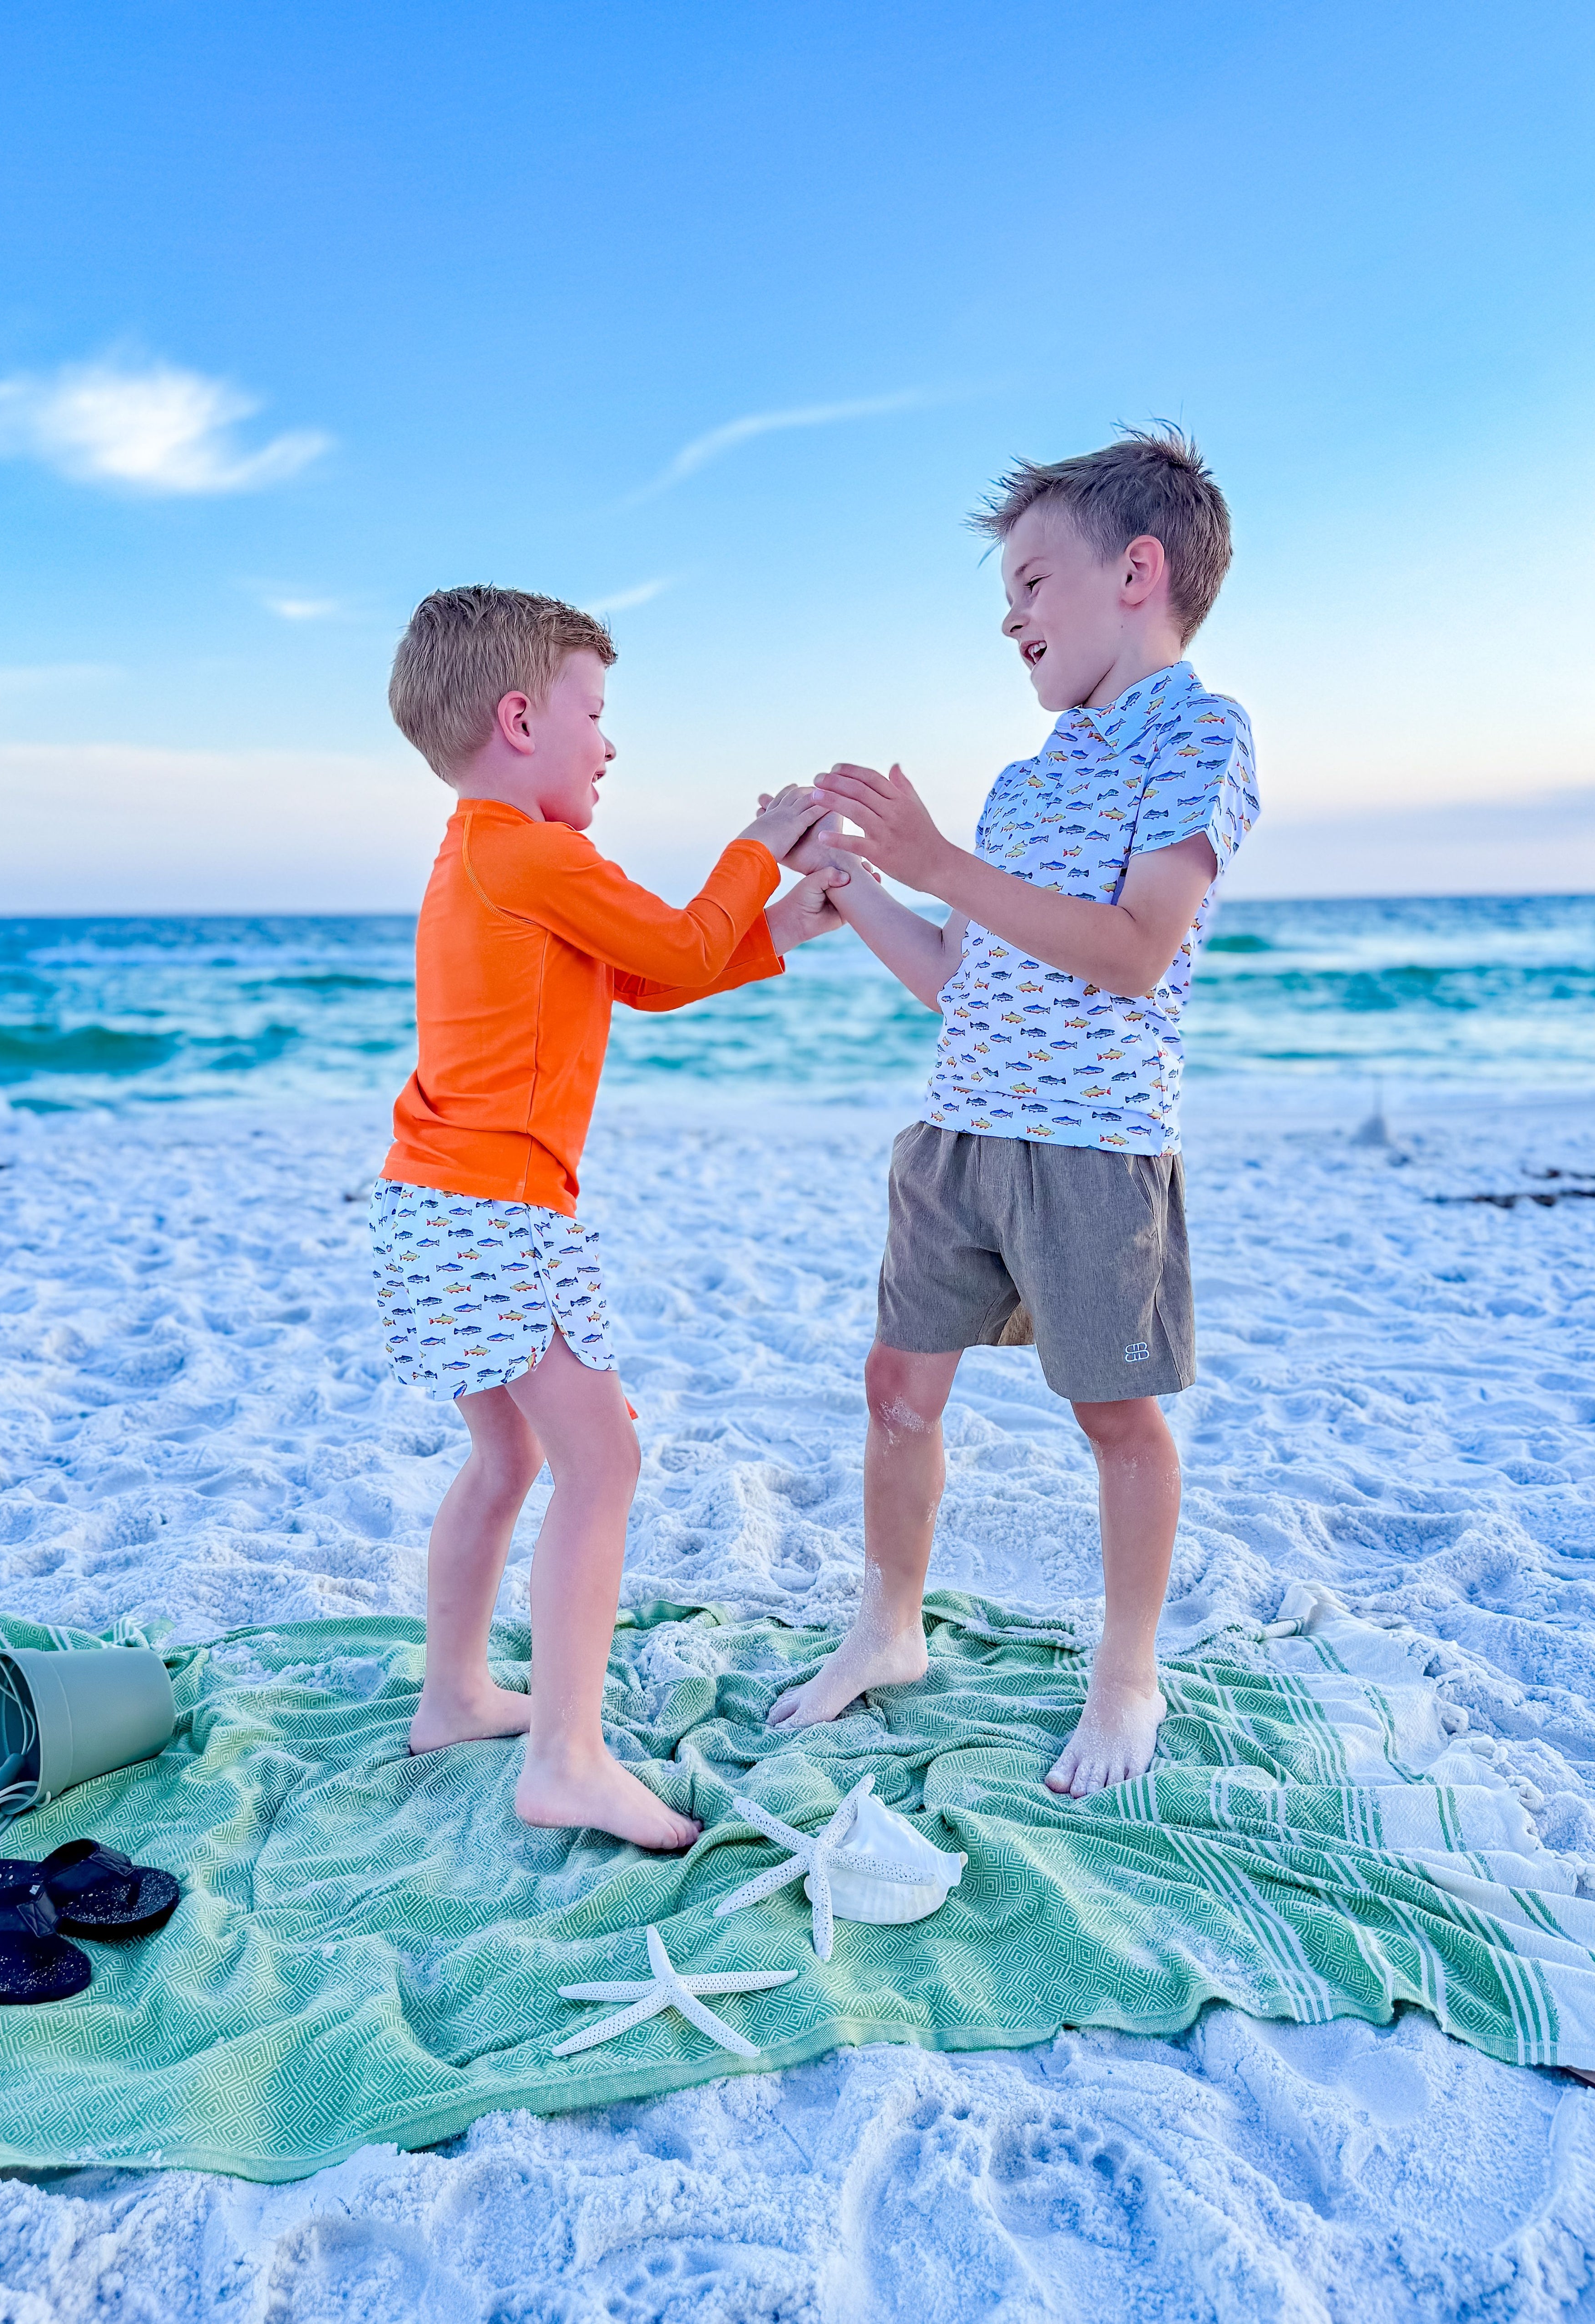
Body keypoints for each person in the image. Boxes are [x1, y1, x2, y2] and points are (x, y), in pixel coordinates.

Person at [769, 427, 1259, 1796]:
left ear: (1138, 572)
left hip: (1094, 1149)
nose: (1012, 614)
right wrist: (864, 879)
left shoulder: (1202, 731)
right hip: (959, 1136)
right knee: (895, 1390)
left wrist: (939, 860)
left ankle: (1127, 1681)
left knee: (1116, 1418)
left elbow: (1133, 950)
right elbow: (954, 979)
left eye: (1036, 582)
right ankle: (888, 1630)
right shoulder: (1026, 780)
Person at [372, 584, 839, 1849]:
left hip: (433, 1205)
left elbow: (643, 972)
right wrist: (761, 851)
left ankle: (456, 1694)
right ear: (521, 719)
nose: (611, 742)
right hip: (495, 1213)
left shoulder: (483, 852)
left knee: (512, 1457)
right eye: (596, 712)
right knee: (603, 1461)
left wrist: (778, 924)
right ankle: (566, 1759)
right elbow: (680, 950)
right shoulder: (535, 852)